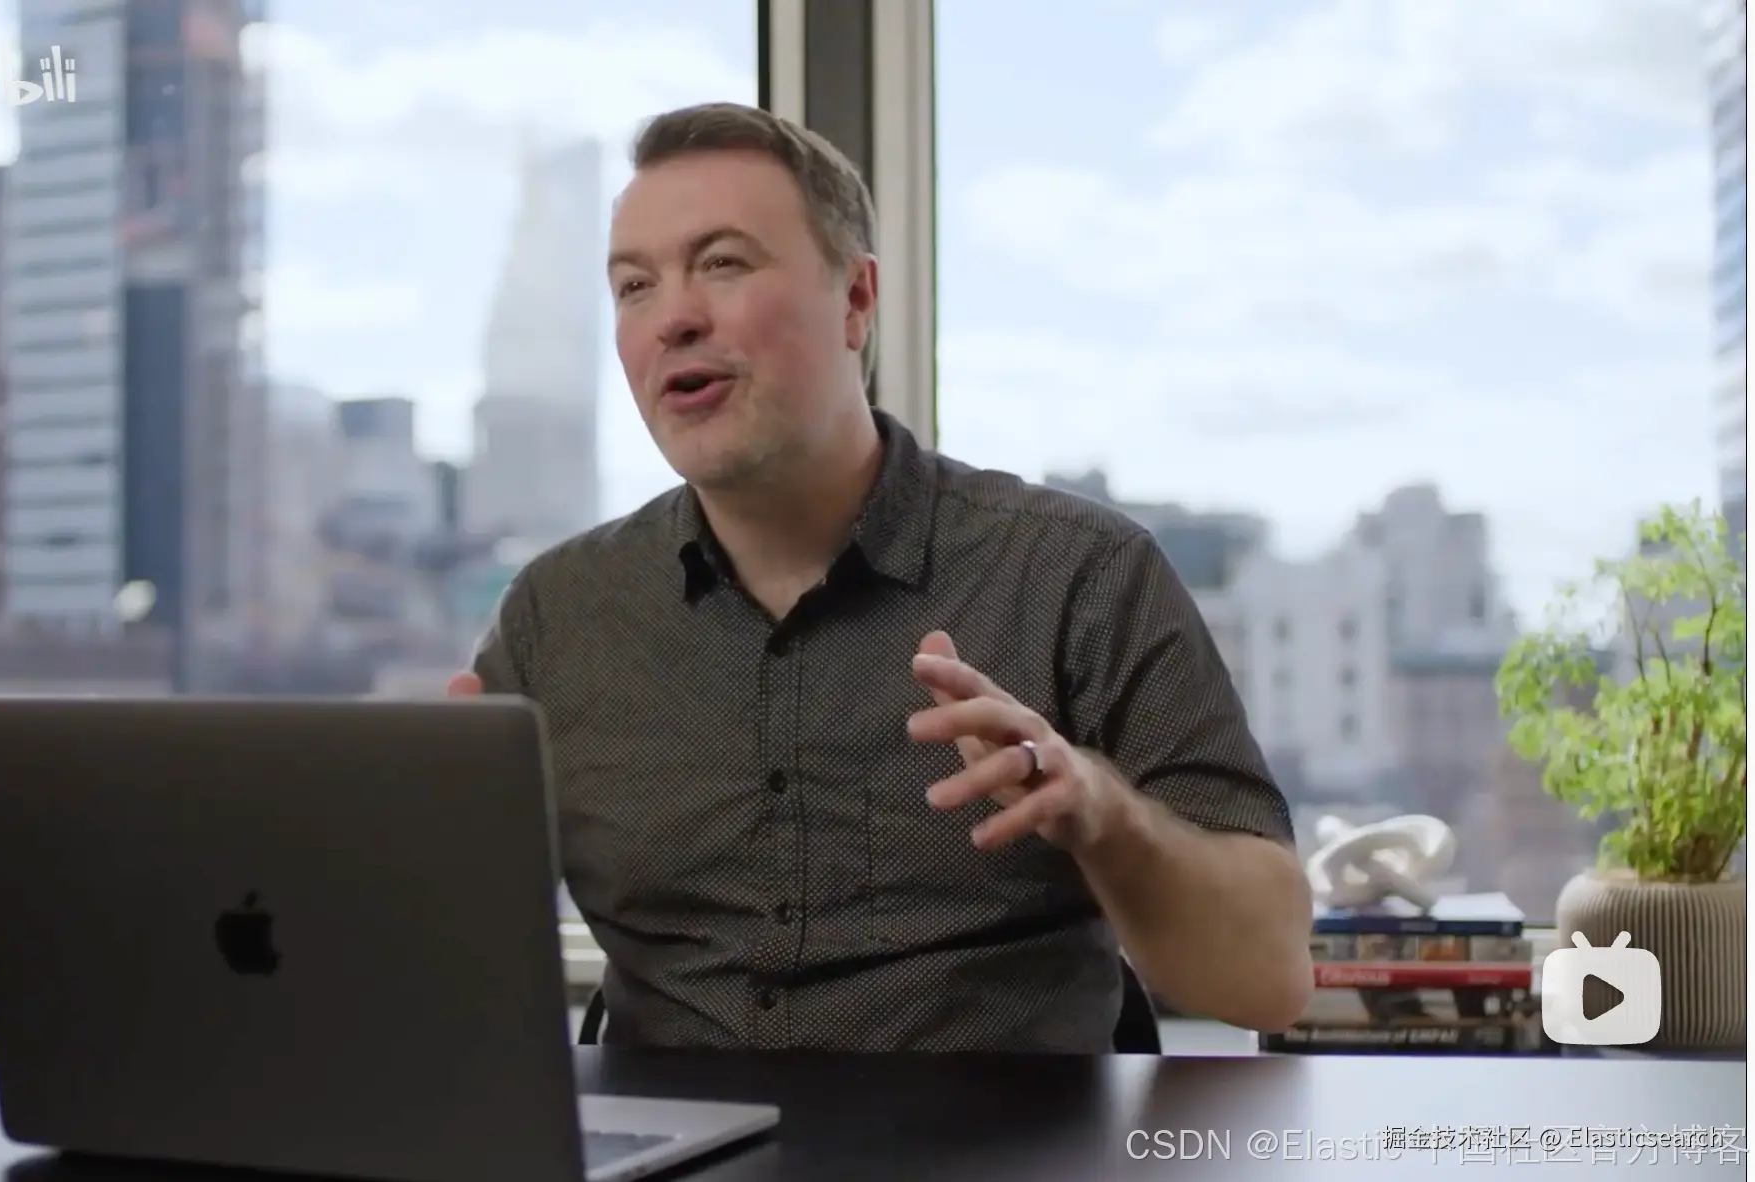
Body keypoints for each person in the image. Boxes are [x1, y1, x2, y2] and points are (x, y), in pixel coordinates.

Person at [448, 101, 1312, 1053]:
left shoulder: (1077, 576)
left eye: (723, 263)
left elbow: (1268, 979)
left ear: (856, 301)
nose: (674, 319)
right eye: (634, 286)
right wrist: (428, 840)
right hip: (671, 1130)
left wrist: (1105, 817)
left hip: (1001, 1132)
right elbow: (446, 965)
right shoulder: (556, 618)